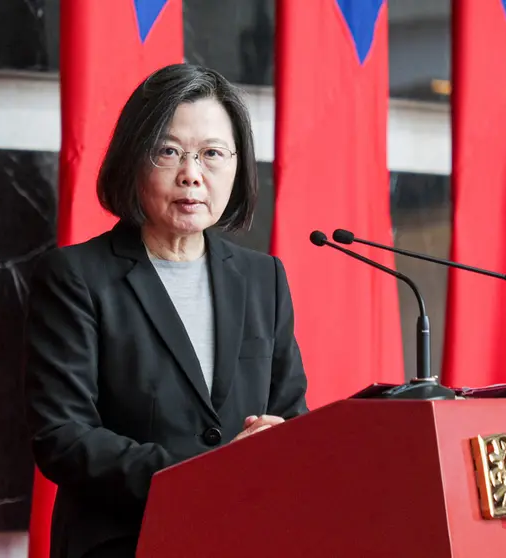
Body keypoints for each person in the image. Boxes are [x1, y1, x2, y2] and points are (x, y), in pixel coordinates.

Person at [23, 63, 309, 558]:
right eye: (169, 151)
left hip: (243, 541)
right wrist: (205, 474)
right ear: (135, 158)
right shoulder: (75, 277)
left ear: (237, 165)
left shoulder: (264, 280)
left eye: (212, 154)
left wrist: (286, 442)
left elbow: (290, 416)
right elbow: (63, 437)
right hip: (125, 543)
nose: (191, 174)